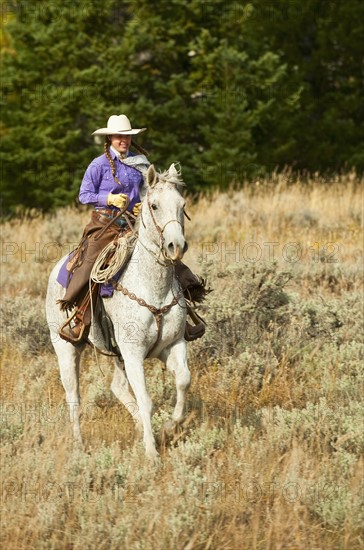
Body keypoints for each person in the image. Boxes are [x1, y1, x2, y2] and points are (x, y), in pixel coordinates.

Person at [57, 114, 207, 344]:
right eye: (118, 136)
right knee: (92, 260)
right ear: (110, 139)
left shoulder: (140, 164)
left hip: (135, 223)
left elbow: (151, 191)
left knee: (165, 256)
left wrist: (143, 203)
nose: (123, 140)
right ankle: (80, 318)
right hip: (104, 224)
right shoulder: (98, 165)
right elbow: (83, 195)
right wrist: (108, 198)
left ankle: (182, 316)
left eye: (126, 136)